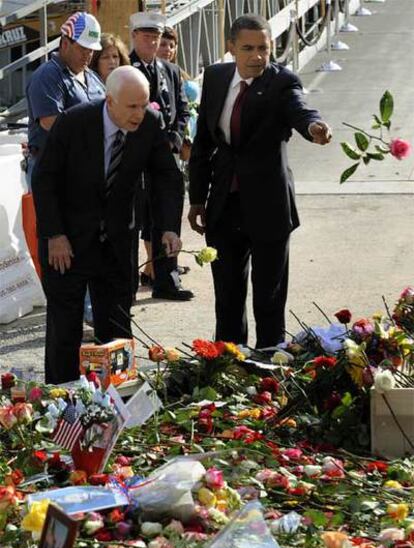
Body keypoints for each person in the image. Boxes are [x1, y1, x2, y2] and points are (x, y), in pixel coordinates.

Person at [32, 66, 184, 385]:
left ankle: (118, 402)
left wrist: (169, 227)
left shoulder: (149, 124)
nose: (139, 114)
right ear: (109, 101)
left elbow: (167, 176)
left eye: (144, 105)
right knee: (65, 329)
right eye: (131, 106)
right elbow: (44, 179)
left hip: (116, 241)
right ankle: (62, 399)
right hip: (68, 241)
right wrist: (54, 235)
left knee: (116, 329)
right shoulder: (74, 122)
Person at [188, 14, 332, 350]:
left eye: (263, 49)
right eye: (248, 48)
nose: (257, 57)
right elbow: (203, 144)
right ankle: (230, 363)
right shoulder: (215, 77)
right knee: (227, 297)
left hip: (268, 206)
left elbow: (300, 111)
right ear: (231, 48)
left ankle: (271, 362)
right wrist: (197, 198)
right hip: (224, 205)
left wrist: (314, 128)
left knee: (268, 297)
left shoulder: (282, 83)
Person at [129, 12, 193, 301]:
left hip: (166, 156)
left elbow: (182, 107)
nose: (153, 42)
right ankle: (129, 282)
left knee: (167, 218)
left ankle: (167, 278)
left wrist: (177, 137)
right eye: (146, 37)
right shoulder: (126, 69)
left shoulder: (168, 69)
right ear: (134, 38)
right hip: (136, 157)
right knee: (134, 221)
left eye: (156, 37)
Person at [26, 11, 105, 184]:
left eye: (91, 50)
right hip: (54, 173)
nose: (88, 54)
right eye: (82, 48)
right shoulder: (47, 76)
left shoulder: (92, 77)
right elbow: (51, 123)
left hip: (83, 170)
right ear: (64, 43)